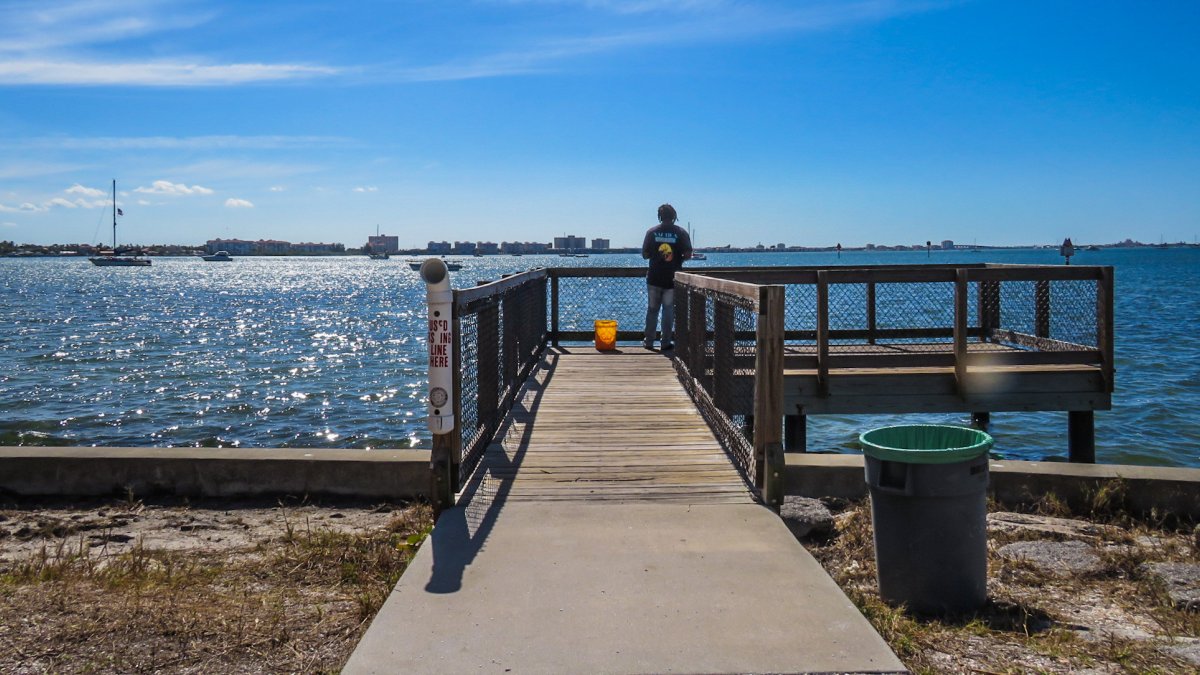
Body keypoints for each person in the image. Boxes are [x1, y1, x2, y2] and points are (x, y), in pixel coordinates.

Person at [641, 203, 692, 350]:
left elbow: (645, 254)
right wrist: (679, 258)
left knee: (652, 310)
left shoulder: (651, 232)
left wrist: (655, 255)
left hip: (654, 277)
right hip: (672, 278)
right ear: (674, 216)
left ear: (660, 216)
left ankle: (649, 342)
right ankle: (665, 343)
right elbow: (688, 253)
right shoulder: (681, 233)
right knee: (668, 310)